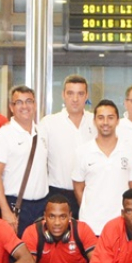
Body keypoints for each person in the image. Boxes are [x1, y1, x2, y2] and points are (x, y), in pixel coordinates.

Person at [73, 99, 132, 236]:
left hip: (121, 226)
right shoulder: (82, 151)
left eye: (110, 118)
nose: (105, 122)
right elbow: (78, 188)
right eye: (101, 118)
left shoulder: (131, 151)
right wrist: (91, 208)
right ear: (94, 121)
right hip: (90, 226)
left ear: (118, 120)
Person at [0, 85, 50, 234]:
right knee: (17, 254)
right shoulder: (3, 135)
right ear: (11, 107)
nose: (25, 106)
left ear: (35, 105)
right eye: (19, 102)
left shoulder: (42, 132)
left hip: (42, 207)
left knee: (39, 254)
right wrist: (5, 211)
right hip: (16, 206)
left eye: (29, 101)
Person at [40, 75, 96, 218]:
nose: (75, 99)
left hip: (90, 193)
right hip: (58, 195)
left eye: (80, 94)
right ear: (63, 95)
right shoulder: (48, 123)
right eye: (70, 93)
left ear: (87, 96)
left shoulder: (96, 121)